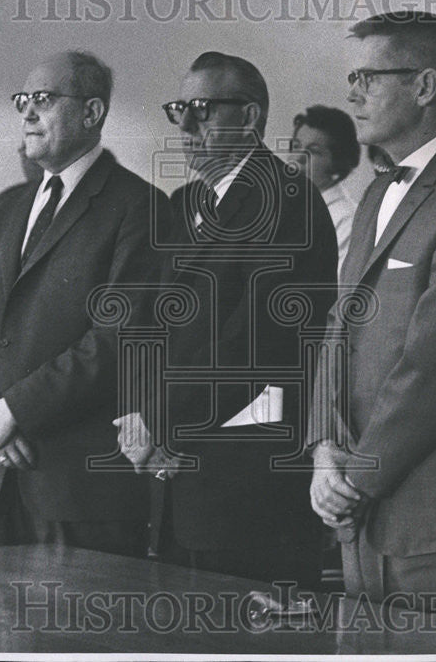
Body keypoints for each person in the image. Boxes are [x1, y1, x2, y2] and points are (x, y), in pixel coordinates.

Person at [307, 11, 436, 612]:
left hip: (431, 508)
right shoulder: (376, 190)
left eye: (369, 77)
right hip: (359, 494)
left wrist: (354, 476)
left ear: (424, 87)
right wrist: (323, 448)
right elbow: (337, 327)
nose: (353, 92)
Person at [119, 52, 338, 588]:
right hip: (179, 478)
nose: (187, 125)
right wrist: (143, 414)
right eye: (180, 109)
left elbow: (257, 343)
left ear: (251, 117)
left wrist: (161, 420)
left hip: (249, 489)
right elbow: (154, 326)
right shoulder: (185, 200)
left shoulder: (289, 201)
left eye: (203, 109)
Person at [0, 51, 164, 555]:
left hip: (79, 491)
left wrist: (17, 411)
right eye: (23, 100)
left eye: (44, 99)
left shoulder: (139, 207)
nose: (27, 112)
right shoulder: (7, 208)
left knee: (78, 634)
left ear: (92, 113)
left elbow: (117, 338)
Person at [289, 106, 360, 275]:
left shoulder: (347, 221)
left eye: (313, 151)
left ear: (337, 164)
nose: (298, 158)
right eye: (296, 146)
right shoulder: (287, 208)